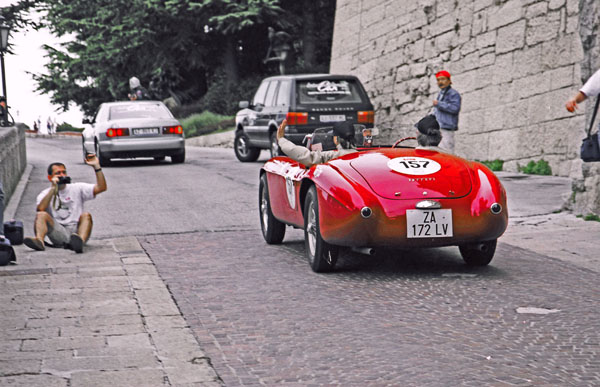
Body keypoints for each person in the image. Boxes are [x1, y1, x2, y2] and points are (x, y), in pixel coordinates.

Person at [23, 155, 107, 253]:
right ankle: (39, 241)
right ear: (50, 177)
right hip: (59, 231)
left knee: (86, 216)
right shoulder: (45, 193)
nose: (62, 175)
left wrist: (97, 167)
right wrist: (53, 189)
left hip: (77, 230)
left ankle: (79, 243)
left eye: (64, 172)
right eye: (58, 173)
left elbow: (101, 188)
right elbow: (40, 209)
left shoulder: (77, 188)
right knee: (41, 215)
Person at [277, 119, 357, 167]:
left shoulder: (332, 156)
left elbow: (305, 156)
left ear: (335, 139)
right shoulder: (365, 154)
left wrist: (281, 139)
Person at [432, 70, 461, 153]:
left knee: (447, 151)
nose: (440, 82)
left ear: (449, 81)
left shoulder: (453, 94)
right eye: (438, 80)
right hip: (439, 127)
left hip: (447, 127)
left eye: (443, 79)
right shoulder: (441, 93)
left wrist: (439, 104)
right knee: (439, 151)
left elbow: (455, 108)